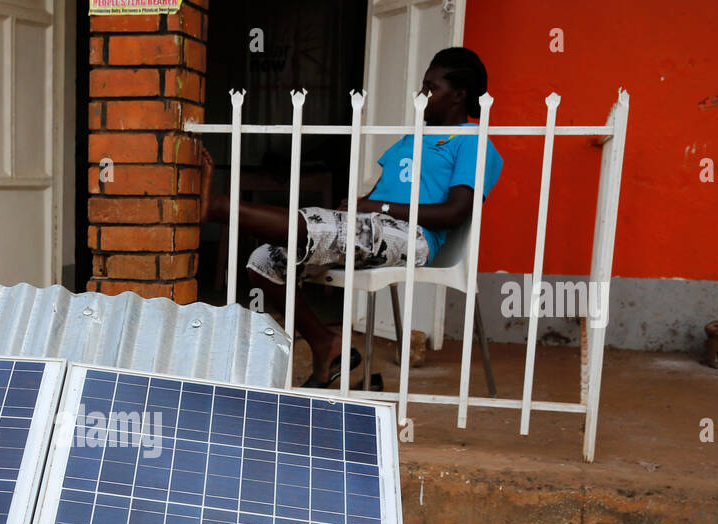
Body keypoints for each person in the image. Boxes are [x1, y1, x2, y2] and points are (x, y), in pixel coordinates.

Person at [199, 47, 504, 387]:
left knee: (318, 225)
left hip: (416, 237)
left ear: (458, 95)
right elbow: (382, 196)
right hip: (374, 229)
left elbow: (455, 212)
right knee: (264, 262)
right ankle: (324, 342)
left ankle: (220, 208)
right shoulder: (412, 138)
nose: (421, 95)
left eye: (430, 87)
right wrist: (361, 204)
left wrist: (377, 209)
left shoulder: (473, 143)